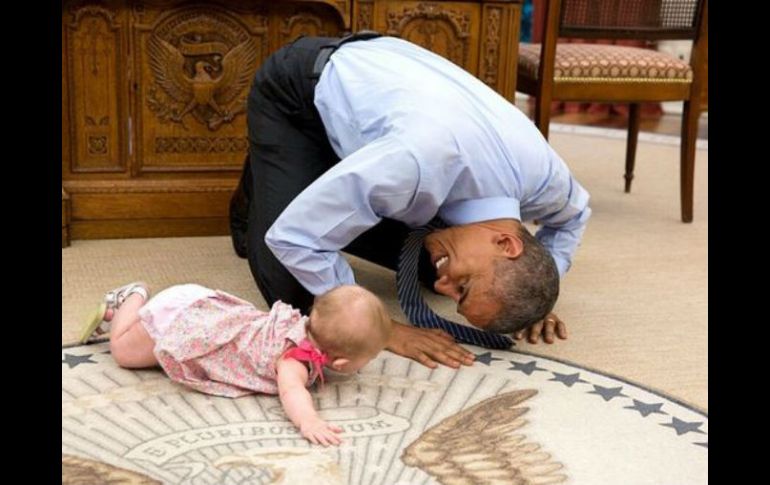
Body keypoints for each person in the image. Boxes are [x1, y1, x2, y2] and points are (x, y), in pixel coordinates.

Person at [229, 33, 591, 370]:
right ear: (507, 242)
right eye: (462, 287)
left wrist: (535, 295)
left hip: (387, 114)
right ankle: (270, 167)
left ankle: (309, 178)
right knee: (298, 295)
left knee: (424, 262)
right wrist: (383, 328)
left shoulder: (547, 180)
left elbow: (574, 218)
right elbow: (294, 237)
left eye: (456, 295)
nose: (441, 289)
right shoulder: (416, 163)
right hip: (298, 95)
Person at [79, 282, 391, 447]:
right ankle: (132, 297)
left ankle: (136, 307)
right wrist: (309, 421)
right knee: (122, 351)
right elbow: (292, 392)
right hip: (182, 323)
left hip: (206, 309)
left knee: (129, 350)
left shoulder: (302, 325)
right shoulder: (294, 358)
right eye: (369, 358)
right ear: (340, 361)